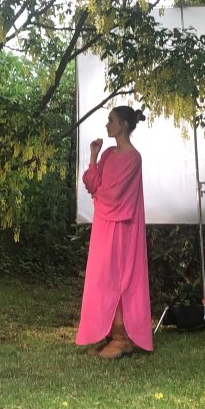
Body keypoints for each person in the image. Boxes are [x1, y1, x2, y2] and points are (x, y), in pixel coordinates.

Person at [76, 105, 153, 359]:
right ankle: (111, 334)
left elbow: (116, 194)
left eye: (111, 120)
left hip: (123, 228)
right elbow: (92, 183)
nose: (107, 125)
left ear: (123, 125)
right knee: (102, 277)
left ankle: (123, 338)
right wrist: (94, 156)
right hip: (104, 224)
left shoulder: (134, 158)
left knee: (120, 277)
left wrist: (99, 195)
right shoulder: (108, 153)